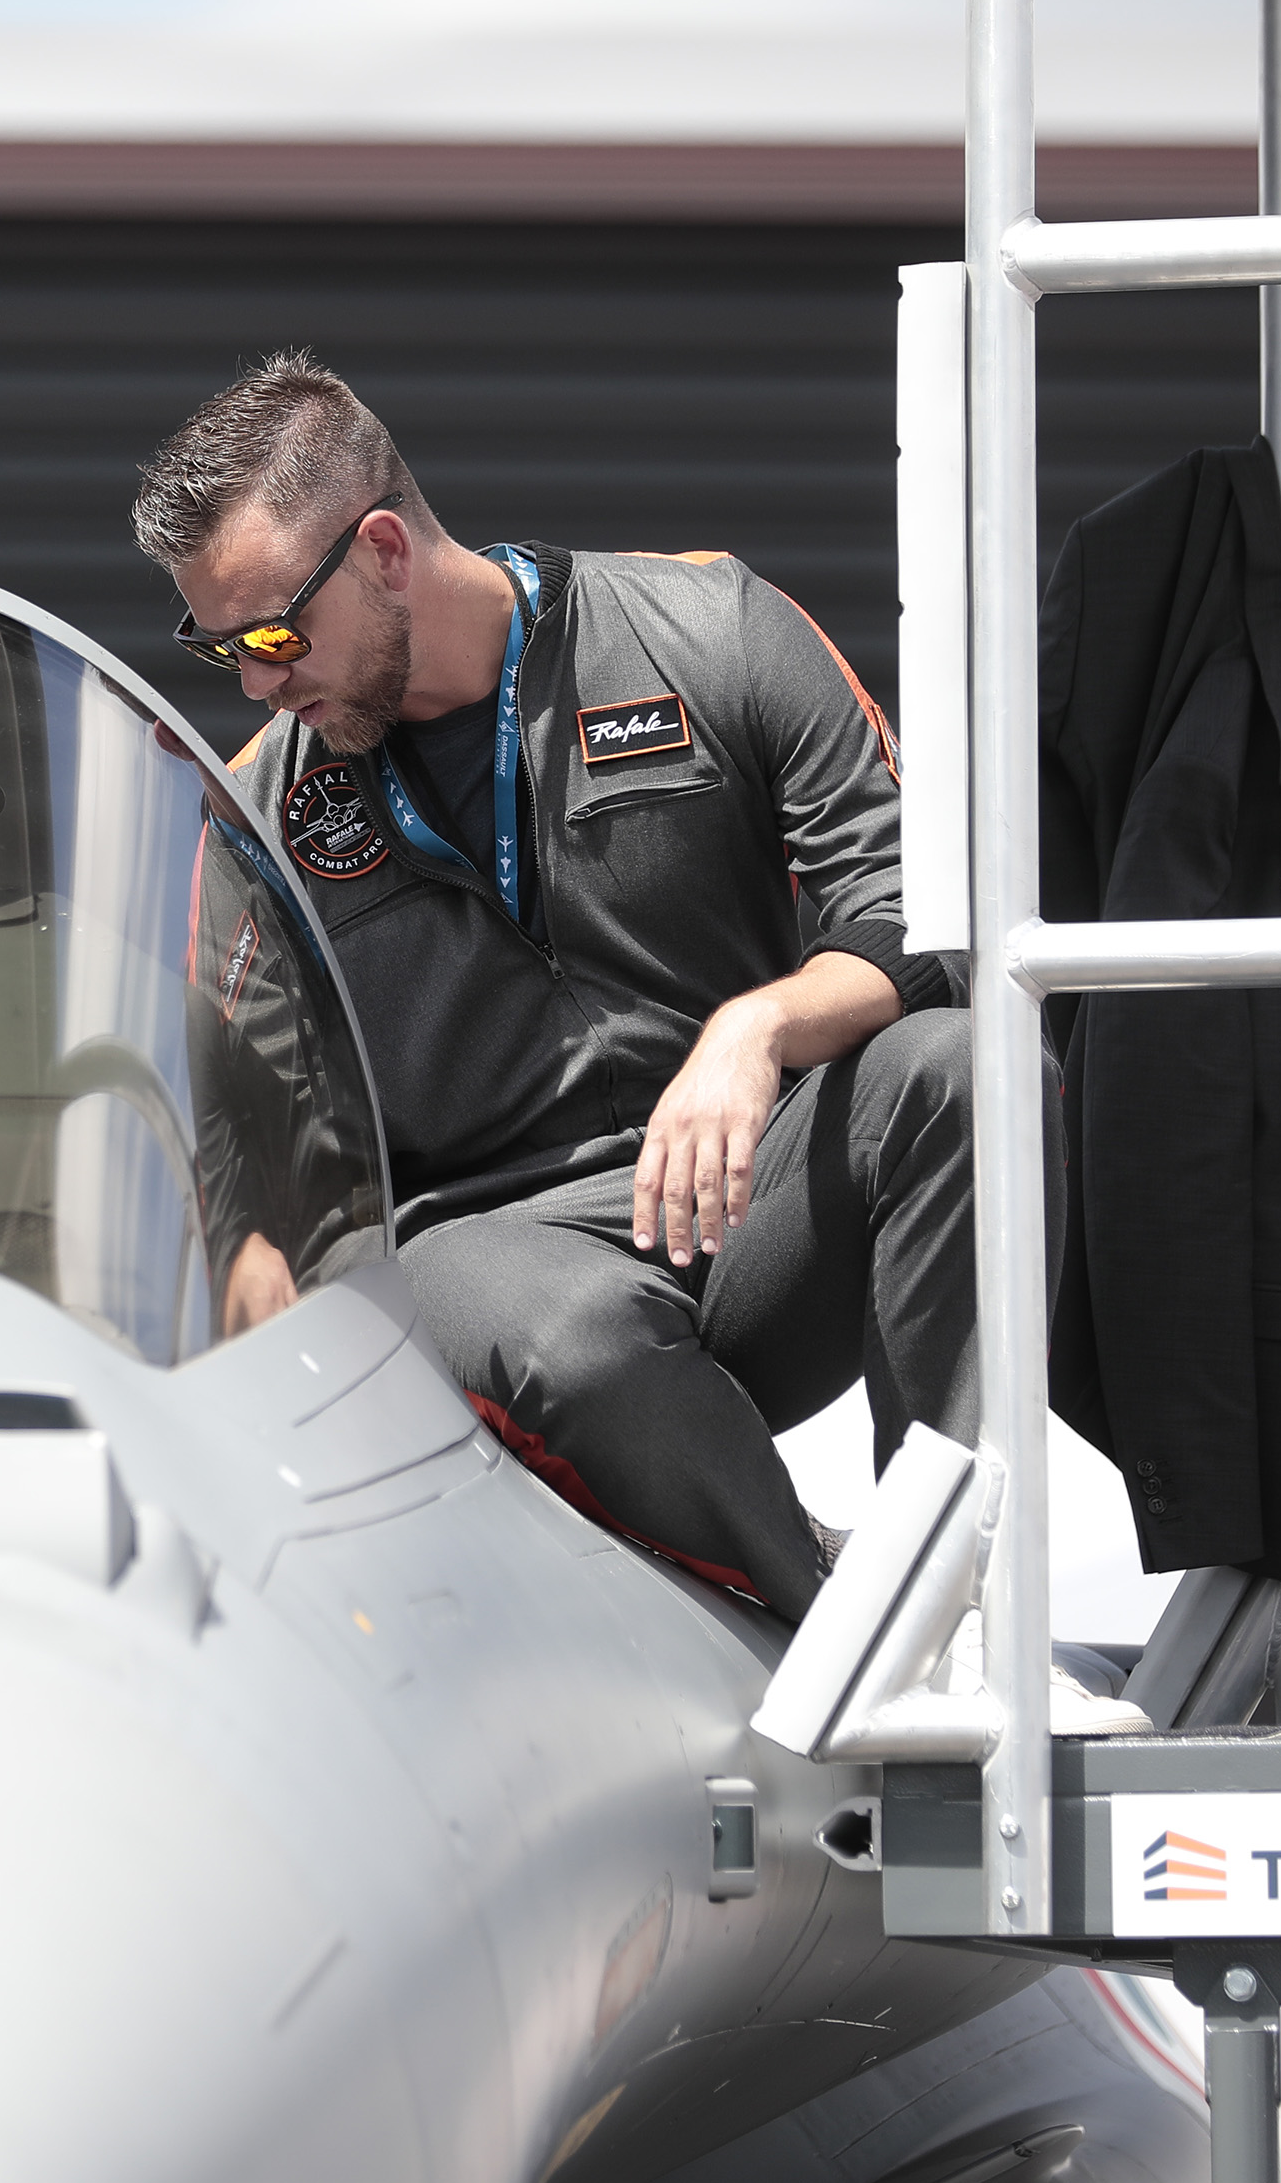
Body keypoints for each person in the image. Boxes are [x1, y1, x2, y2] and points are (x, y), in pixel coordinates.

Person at [135, 350, 981, 1621]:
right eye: (221, 651)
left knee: (966, 1068)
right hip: (495, 1266)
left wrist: (758, 1028)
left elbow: (921, 914)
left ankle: (967, 1580)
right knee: (566, 1330)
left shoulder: (710, 628)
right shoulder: (261, 814)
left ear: (382, 549)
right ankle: (860, 1620)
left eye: (272, 633)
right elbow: (241, 1149)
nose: (256, 680)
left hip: (749, 1207)